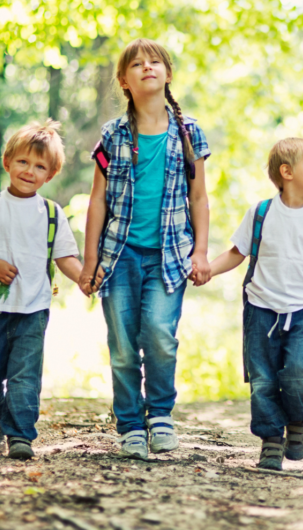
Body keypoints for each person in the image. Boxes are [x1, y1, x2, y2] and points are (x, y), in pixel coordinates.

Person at [79, 38, 211, 460]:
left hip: (170, 256)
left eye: (155, 62)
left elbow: (200, 198)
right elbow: (97, 199)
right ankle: (131, 425)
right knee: (121, 344)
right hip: (119, 256)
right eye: (137, 65)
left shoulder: (189, 132)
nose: (147, 68)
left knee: (159, 335)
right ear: (124, 81)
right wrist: (90, 260)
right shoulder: (112, 135)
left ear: (168, 74)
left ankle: (160, 415)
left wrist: (202, 251)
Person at [207, 137, 303, 470]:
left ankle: (297, 419)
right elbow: (237, 253)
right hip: (260, 309)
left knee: (298, 375)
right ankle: (271, 440)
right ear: (287, 172)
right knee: (263, 380)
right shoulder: (261, 213)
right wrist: (207, 270)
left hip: (302, 314)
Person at [0, 119, 82, 460]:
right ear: (7, 162)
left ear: (50, 175)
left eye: (40, 166)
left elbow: (66, 257)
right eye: (23, 162)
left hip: (32, 311)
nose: (29, 171)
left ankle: (20, 435)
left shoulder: (52, 214)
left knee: (25, 378)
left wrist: (84, 279)